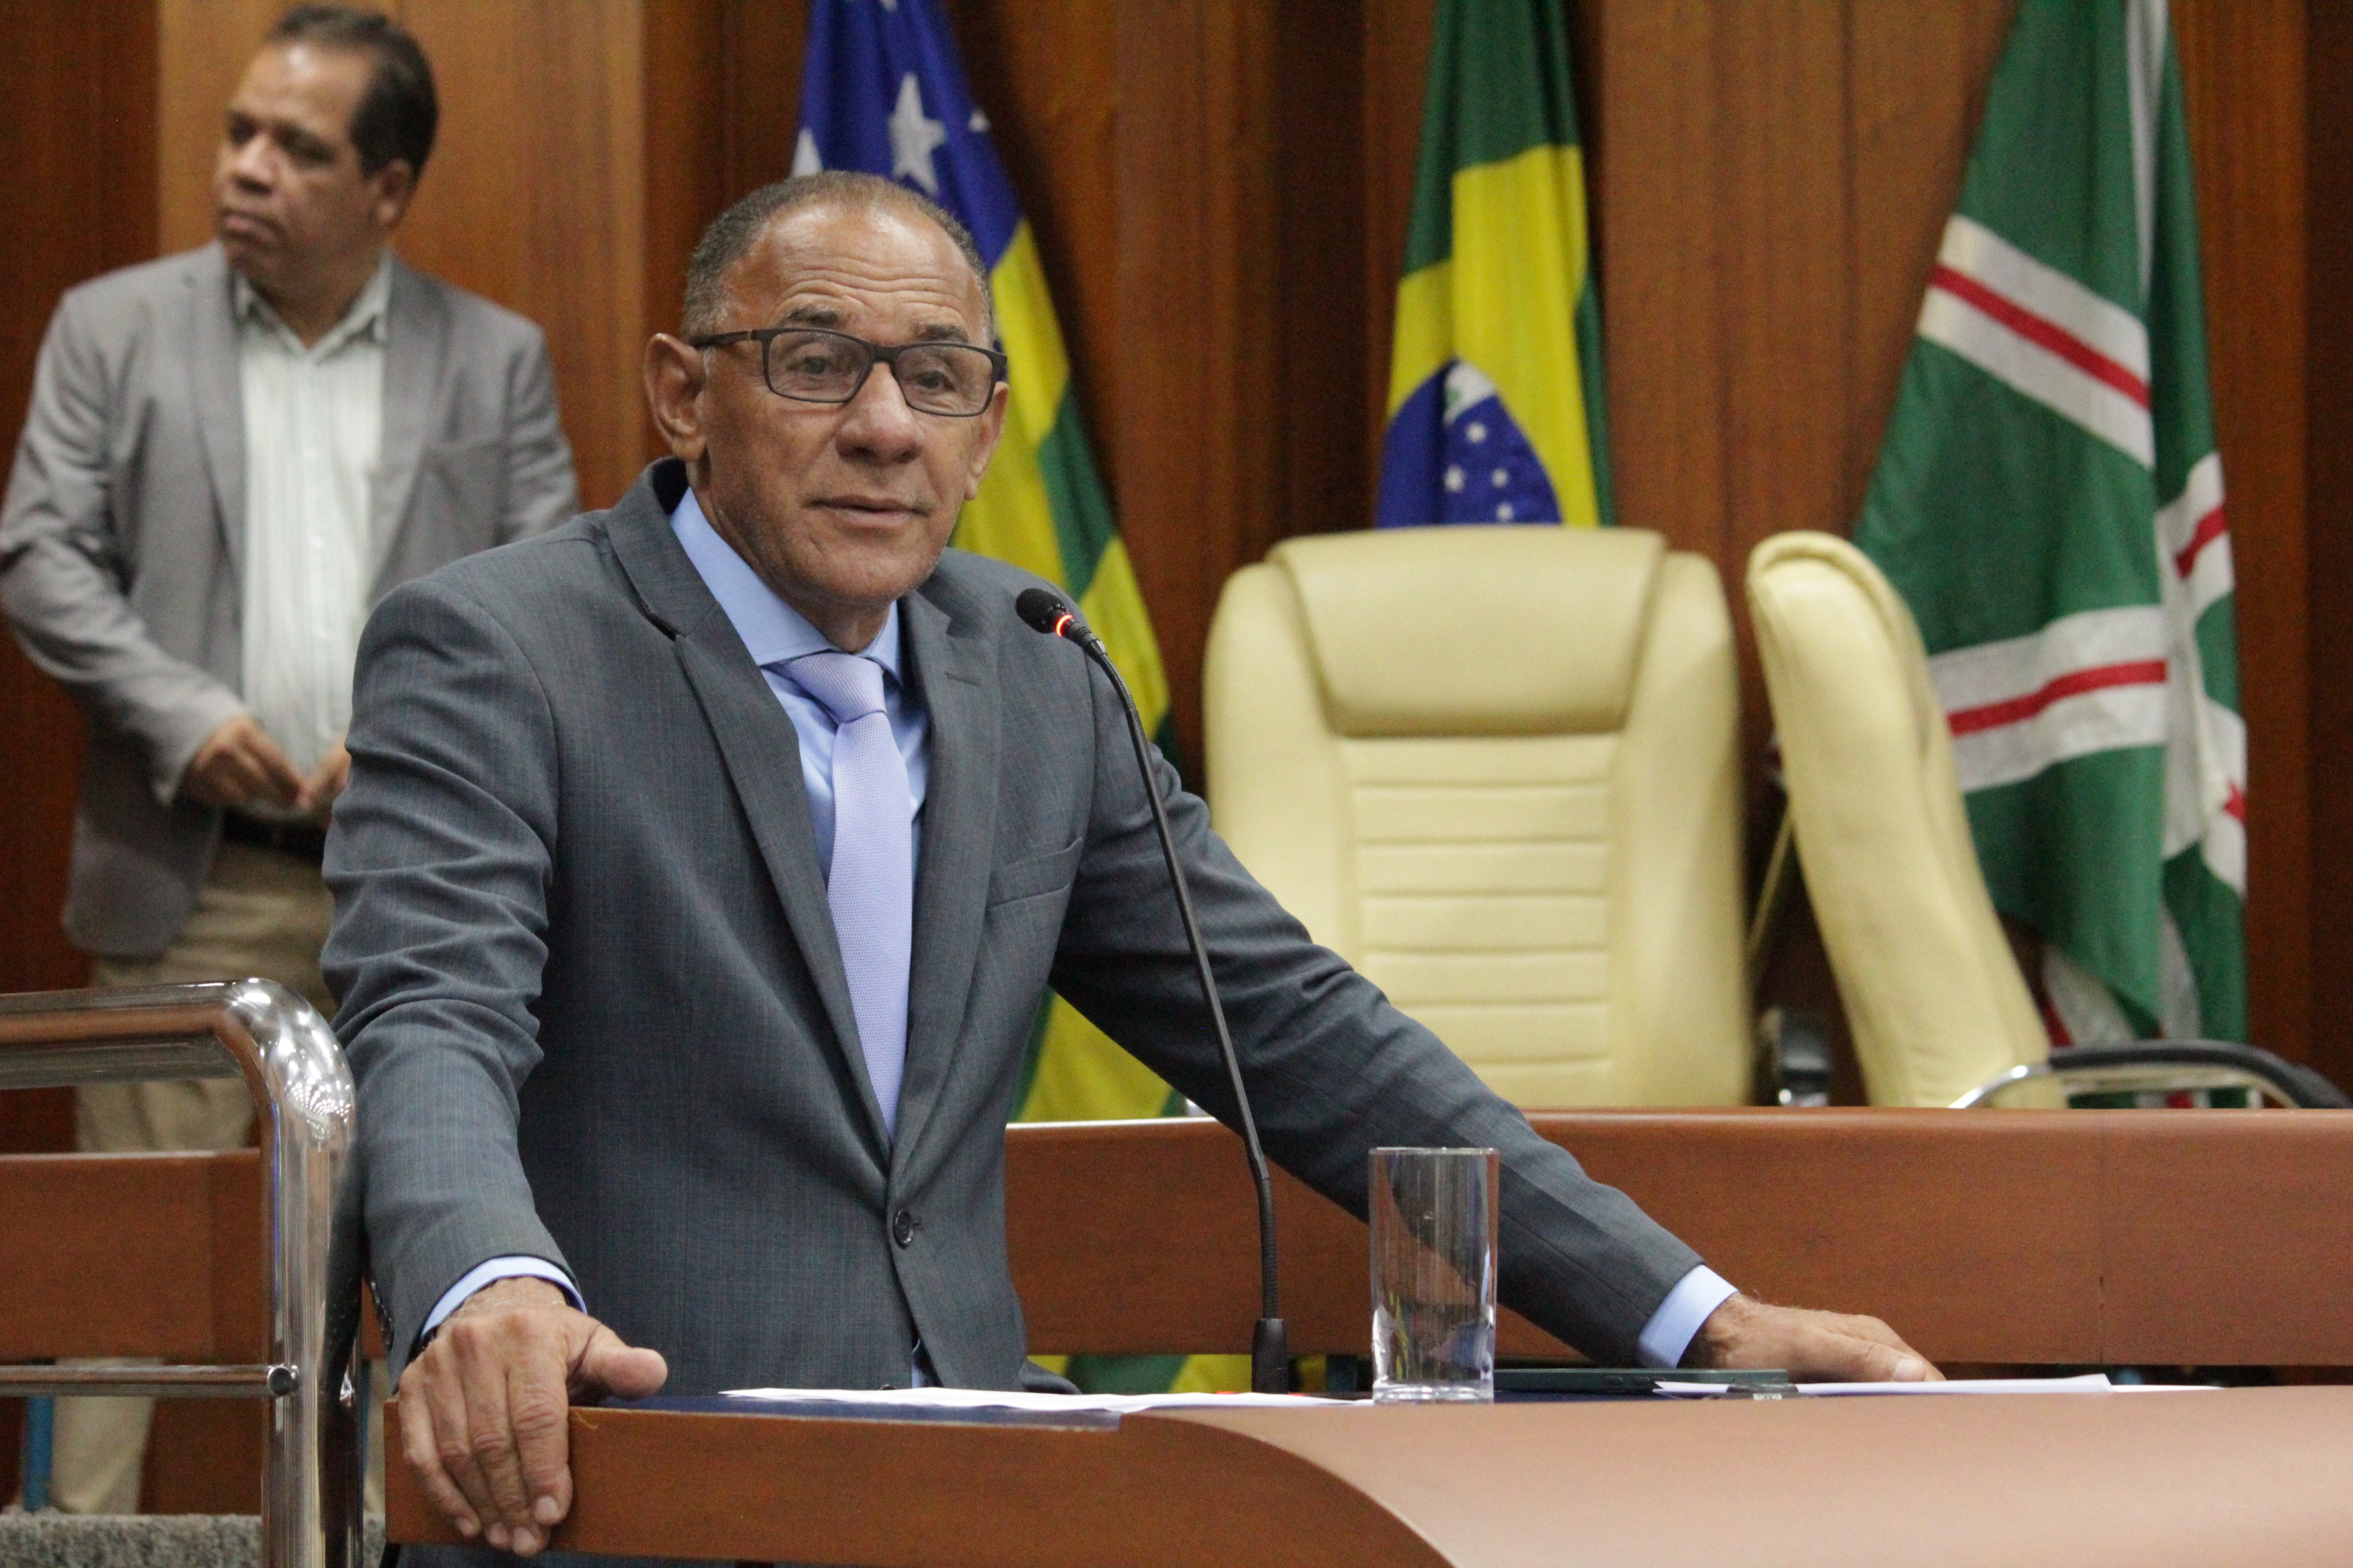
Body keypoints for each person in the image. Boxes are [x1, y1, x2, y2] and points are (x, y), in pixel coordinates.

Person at [327, 171, 1936, 1560]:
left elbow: (1302, 1031)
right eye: (816, 364)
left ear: (986, 431)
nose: (883, 427)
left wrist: (1700, 1317)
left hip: (982, 1499)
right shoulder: (503, 648)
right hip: (628, 1484)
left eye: (936, 378)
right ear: (684, 394)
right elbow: (431, 1013)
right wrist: (488, 1283)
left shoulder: (1035, 666)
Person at [0, 4, 576, 1514]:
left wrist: (400, 741)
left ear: (386, 190)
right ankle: (73, 1542)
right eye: (238, 132)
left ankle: (400, 1536)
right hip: (191, 873)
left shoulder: (493, 359)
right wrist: (181, 716)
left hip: (422, 884)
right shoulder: (114, 327)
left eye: (297, 148)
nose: (247, 167)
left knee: (418, 1231)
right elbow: (42, 555)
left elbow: (544, 590)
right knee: (125, 1257)